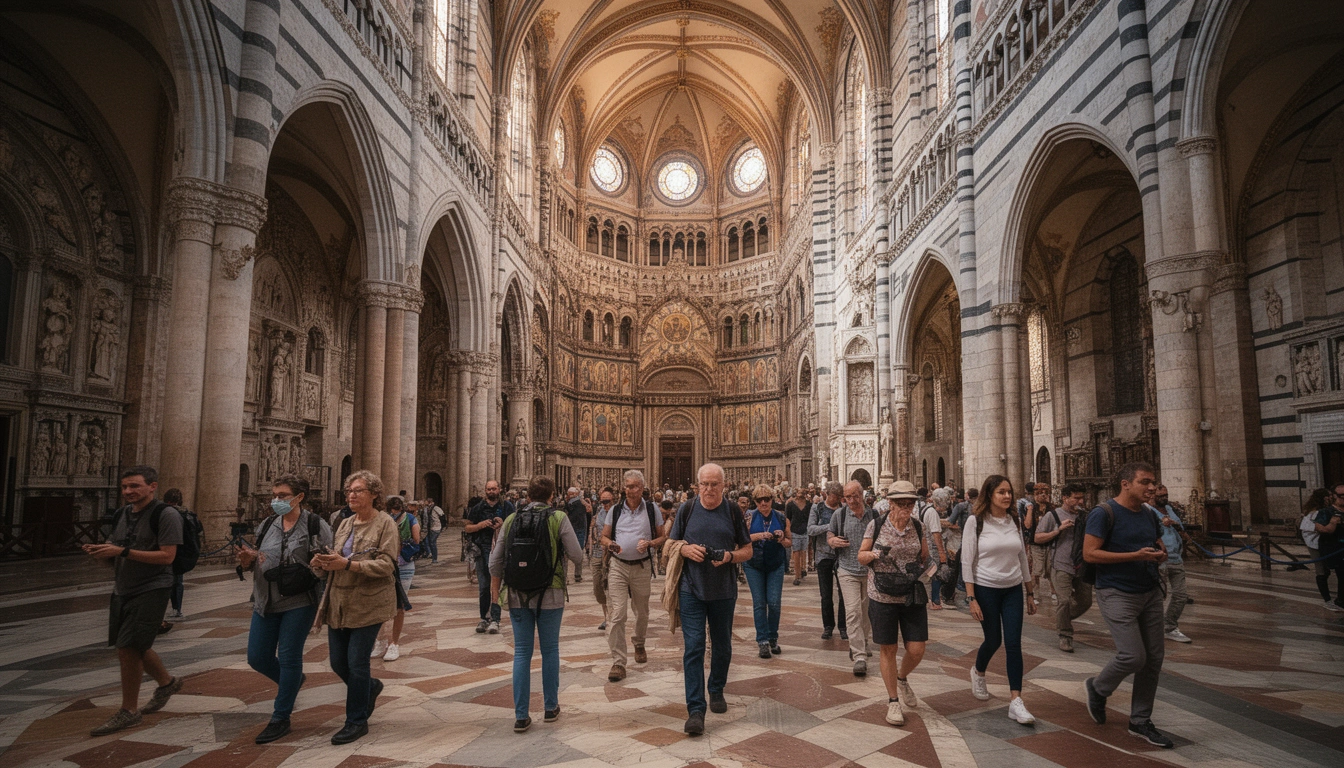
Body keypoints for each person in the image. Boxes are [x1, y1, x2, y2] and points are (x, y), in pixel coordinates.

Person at [83, 466, 184, 736]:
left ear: (152, 486)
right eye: (125, 487)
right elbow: (116, 548)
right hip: (123, 587)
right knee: (132, 644)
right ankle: (167, 682)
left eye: (135, 486)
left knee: (128, 647)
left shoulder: (167, 515)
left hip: (153, 587)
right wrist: (103, 553)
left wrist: (123, 551)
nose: (128, 491)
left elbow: (167, 557)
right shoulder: (122, 514)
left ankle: (129, 711)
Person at [1082, 462, 1175, 749]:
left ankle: (1140, 720)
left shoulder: (1148, 514)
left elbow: (1157, 543)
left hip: (1149, 592)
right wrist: (1134, 556)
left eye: (1153, 482)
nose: (1152, 487)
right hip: (1116, 592)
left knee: (1153, 659)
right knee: (1133, 656)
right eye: (1145, 482)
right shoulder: (1104, 513)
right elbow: (1090, 554)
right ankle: (1098, 688)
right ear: (1125, 484)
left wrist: (1159, 554)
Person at [237, 474, 333, 743]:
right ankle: (291, 682)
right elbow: (260, 557)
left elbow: (327, 563)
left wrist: (318, 565)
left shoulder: (315, 524)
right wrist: (249, 560)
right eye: (274, 495)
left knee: (290, 656)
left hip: (299, 601)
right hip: (265, 600)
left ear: (299, 497)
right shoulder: (268, 523)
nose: (276, 500)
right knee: (257, 657)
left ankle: (280, 717)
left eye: (282, 495)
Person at [490, 475, 585, 732]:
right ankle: (550, 707)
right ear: (552, 496)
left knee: (522, 652)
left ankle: (521, 715)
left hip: (517, 594)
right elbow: (578, 556)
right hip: (551, 592)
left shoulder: (511, 520)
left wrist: (497, 591)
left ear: (528, 496)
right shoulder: (558, 518)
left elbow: (493, 562)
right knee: (550, 650)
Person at [311, 470, 399, 745]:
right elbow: (337, 557)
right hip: (339, 601)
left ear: (374, 494)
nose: (351, 494)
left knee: (357, 663)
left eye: (358, 490)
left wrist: (348, 564)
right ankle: (370, 688)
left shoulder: (385, 524)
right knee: (338, 662)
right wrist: (322, 564)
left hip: (368, 602)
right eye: (349, 490)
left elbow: (387, 565)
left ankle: (356, 720)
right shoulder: (345, 523)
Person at [669, 463, 752, 735]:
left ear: (724, 486)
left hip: (723, 590)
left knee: (722, 644)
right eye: (704, 484)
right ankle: (695, 709)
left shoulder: (732, 510)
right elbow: (670, 544)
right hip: (690, 589)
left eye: (714, 484)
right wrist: (685, 548)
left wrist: (729, 556)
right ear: (697, 485)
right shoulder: (686, 509)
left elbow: (748, 550)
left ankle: (716, 688)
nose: (709, 489)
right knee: (693, 646)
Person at [961, 474, 1037, 726]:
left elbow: (1022, 558)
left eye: (1009, 492)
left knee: (1013, 643)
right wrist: (971, 597)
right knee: (993, 639)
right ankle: (978, 671)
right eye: (1001, 492)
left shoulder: (1014, 520)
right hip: (986, 588)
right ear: (989, 495)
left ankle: (1016, 700)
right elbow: (967, 561)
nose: (1007, 496)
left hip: (1012, 588)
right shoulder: (976, 522)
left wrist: (1030, 592)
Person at [860, 482, 930, 726]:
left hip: (910, 595)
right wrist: (872, 555)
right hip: (882, 595)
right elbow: (861, 555)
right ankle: (893, 701)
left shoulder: (918, 526)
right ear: (890, 503)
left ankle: (902, 678)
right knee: (888, 648)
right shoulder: (876, 524)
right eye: (901, 503)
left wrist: (926, 570)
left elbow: (924, 557)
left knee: (917, 648)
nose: (906, 508)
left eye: (910, 503)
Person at [600, 470, 667, 682]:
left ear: (642, 488)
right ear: (624, 488)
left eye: (636, 486)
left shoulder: (651, 508)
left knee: (642, 611)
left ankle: (639, 642)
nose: (631, 490)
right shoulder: (616, 510)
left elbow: (662, 536)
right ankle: (618, 662)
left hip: (641, 566)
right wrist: (609, 544)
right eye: (628, 486)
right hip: (618, 566)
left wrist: (649, 544)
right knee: (618, 614)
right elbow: (603, 536)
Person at [1034, 483, 1092, 652]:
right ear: (1065, 498)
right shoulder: (1053, 515)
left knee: (1085, 601)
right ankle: (1065, 635)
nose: (1080, 501)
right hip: (1061, 563)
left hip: (1081, 565)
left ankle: (1062, 619)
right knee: (1064, 600)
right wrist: (1058, 530)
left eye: (1082, 498)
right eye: (1076, 498)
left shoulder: (1085, 515)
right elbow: (1037, 538)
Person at [828, 480, 877, 676]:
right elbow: (830, 535)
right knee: (853, 611)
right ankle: (859, 656)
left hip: (868, 571)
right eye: (847, 497)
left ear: (862, 495)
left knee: (866, 612)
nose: (851, 500)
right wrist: (833, 541)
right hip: (846, 570)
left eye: (855, 496)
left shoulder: (873, 515)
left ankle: (863, 641)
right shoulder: (839, 515)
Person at [744, 484, 791, 658]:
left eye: (767, 499)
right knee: (759, 603)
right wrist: (759, 536)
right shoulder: (748, 517)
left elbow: (789, 542)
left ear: (772, 499)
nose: (763, 503)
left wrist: (781, 538)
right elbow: (741, 539)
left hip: (775, 564)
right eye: (759, 500)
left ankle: (773, 637)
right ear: (754, 501)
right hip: (753, 564)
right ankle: (762, 640)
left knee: (774, 602)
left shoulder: (780, 516)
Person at [372, 496, 419, 660]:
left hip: (398, 564)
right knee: (390, 605)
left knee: (394, 605)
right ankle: (386, 642)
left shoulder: (383, 519)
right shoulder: (409, 518)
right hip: (396, 564)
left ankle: (388, 642)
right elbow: (417, 540)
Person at [466, 480, 512, 634]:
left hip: (500, 550)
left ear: (499, 489)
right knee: (484, 586)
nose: (491, 491)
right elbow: (467, 527)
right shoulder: (478, 507)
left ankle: (496, 619)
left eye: (494, 489)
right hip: (481, 548)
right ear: (485, 491)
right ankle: (483, 618)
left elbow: (515, 525)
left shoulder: (507, 507)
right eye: (488, 489)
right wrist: (480, 525)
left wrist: (503, 523)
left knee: (496, 586)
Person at [1148, 485, 1191, 643]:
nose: (1164, 498)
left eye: (1166, 495)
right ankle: (1154, 628)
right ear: (1152, 495)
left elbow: (1180, 527)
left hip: (1176, 558)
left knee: (1181, 595)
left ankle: (1170, 625)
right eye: (1160, 495)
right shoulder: (1147, 511)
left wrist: (1180, 530)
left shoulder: (1170, 509)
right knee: (1158, 596)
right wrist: (1161, 523)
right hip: (1160, 558)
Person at [807, 482, 848, 640]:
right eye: (834, 496)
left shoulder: (844, 510)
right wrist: (829, 527)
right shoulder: (817, 508)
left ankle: (843, 626)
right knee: (826, 594)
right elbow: (810, 529)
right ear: (827, 495)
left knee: (843, 593)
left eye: (839, 497)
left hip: (841, 555)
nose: (837, 500)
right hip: (823, 555)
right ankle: (828, 626)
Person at [1301, 489, 1343, 611]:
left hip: (1330, 544)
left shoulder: (1330, 510)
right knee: (1322, 572)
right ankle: (1327, 600)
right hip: (1316, 544)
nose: (1332, 498)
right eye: (1329, 496)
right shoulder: (1313, 513)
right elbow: (1317, 529)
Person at [591, 487, 617, 630]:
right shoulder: (599, 512)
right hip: (597, 553)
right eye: (602, 501)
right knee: (598, 587)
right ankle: (606, 615)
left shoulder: (619, 513)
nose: (604, 504)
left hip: (613, 555)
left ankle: (610, 618)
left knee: (611, 587)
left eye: (607, 501)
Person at [1024, 482, 1054, 604]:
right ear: (1035, 495)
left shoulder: (1052, 508)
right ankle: (1034, 594)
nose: (1043, 496)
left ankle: (1054, 592)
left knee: (1051, 568)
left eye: (1045, 493)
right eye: (1040, 493)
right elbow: (1027, 525)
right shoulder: (1032, 508)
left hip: (1049, 542)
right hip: (1035, 543)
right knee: (1037, 568)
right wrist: (1030, 511)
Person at [162, 488, 187, 622]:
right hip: (181, 552)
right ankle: (177, 608)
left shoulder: (167, 514)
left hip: (169, 550)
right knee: (178, 582)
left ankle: (174, 609)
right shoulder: (185, 513)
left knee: (171, 582)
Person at [564, 487, 589, 582]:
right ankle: (577, 575)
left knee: (566, 553)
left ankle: (566, 576)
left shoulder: (570, 503)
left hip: (572, 529)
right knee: (579, 551)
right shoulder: (580, 502)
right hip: (579, 528)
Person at [786, 488, 811, 584]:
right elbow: (788, 518)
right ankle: (797, 575)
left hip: (805, 530)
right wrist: (788, 531)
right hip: (794, 530)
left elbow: (811, 518)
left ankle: (802, 568)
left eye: (803, 493)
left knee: (803, 551)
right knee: (796, 552)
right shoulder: (791, 505)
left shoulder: (809, 505)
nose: (801, 494)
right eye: (799, 492)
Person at [424, 498, 444, 564]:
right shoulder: (428, 508)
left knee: (432, 542)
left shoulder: (435, 508)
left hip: (436, 527)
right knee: (430, 542)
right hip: (431, 527)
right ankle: (433, 556)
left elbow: (442, 516)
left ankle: (434, 558)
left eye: (426, 501)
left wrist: (443, 526)